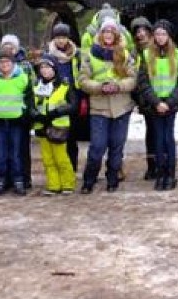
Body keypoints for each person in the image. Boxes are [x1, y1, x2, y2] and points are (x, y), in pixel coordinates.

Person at [78, 17, 137, 193]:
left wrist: (119, 86)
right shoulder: (90, 55)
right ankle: (89, 179)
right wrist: (99, 87)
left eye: (111, 31)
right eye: (105, 31)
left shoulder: (125, 54)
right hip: (99, 107)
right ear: (100, 34)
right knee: (97, 146)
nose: (108, 34)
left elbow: (133, 79)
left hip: (121, 107)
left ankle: (112, 178)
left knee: (117, 146)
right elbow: (82, 80)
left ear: (116, 34)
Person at [136, 19, 178, 190]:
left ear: (169, 36)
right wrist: (155, 102)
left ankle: (170, 174)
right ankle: (160, 174)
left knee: (169, 139)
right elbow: (143, 81)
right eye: (157, 34)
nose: (160, 37)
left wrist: (170, 102)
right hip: (154, 104)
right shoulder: (146, 55)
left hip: (170, 103)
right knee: (158, 140)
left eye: (163, 34)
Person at [0, 51, 34, 196]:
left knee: (16, 153)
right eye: (1, 62)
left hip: (17, 122)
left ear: (13, 63)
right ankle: (0, 181)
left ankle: (18, 181)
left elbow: (29, 99)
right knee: (1, 154)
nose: (5, 65)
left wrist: (25, 115)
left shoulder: (23, 78)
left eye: (7, 62)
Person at [31, 55, 78, 195]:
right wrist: (34, 114)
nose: (45, 71)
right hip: (41, 125)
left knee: (61, 157)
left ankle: (68, 184)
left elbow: (73, 105)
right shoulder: (36, 85)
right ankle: (53, 185)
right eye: (42, 68)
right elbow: (30, 104)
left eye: (48, 67)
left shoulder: (64, 84)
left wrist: (57, 112)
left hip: (58, 126)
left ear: (54, 69)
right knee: (47, 158)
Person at [45, 22, 84, 172]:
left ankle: (72, 168)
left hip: (73, 97)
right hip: (54, 98)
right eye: (58, 37)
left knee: (72, 136)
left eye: (64, 37)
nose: (61, 41)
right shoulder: (48, 55)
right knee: (56, 135)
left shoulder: (76, 55)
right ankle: (57, 169)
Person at [0, 33, 33, 188]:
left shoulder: (25, 65)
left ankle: (24, 178)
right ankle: (6, 179)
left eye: (11, 46)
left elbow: (32, 86)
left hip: (21, 113)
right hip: (2, 112)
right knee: (4, 149)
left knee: (21, 148)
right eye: (5, 46)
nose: (8, 49)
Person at [130, 16, 158, 180]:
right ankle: (152, 165)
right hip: (143, 97)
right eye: (138, 32)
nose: (141, 34)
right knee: (151, 133)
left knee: (160, 133)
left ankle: (161, 164)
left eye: (143, 31)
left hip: (158, 95)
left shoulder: (156, 49)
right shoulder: (134, 52)